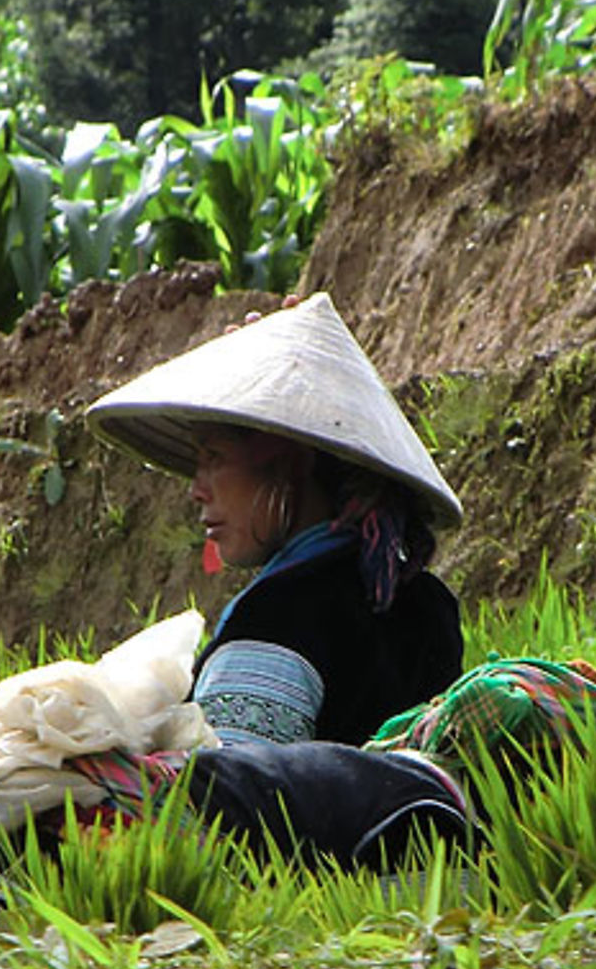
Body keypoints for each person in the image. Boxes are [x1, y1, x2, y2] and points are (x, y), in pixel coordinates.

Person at [85, 290, 465, 748]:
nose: (196, 488)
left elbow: (228, 798)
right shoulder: (422, 599)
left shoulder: (277, 618)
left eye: (214, 457)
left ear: (289, 465)